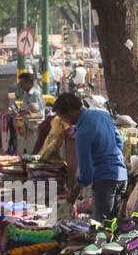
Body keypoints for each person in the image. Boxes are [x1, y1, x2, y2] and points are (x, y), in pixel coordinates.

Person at [53, 91, 128, 221]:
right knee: (113, 225)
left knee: (101, 228)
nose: (65, 122)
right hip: (121, 176)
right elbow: (119, 141)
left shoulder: (82, 132)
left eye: (63, 118)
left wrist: (73, 193)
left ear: (70, 113)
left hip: (105, 181)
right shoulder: (103, 115)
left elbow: (86, 173)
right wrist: (114, 160)